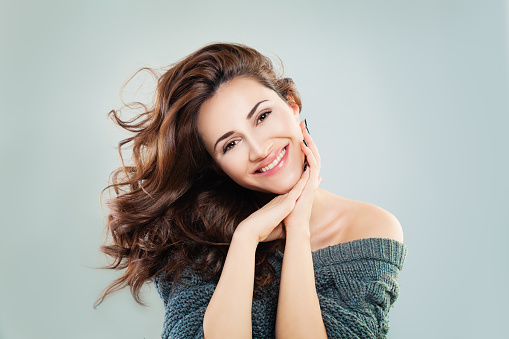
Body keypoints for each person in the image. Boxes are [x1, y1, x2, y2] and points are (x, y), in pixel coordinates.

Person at [95, 42, 407, 339]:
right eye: (230, 144)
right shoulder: (192, 237)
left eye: (262, 116)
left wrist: (298, 229)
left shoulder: (369, 228)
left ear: (292, 105)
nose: (258, 150)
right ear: (217, 166)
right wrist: (245, 240)